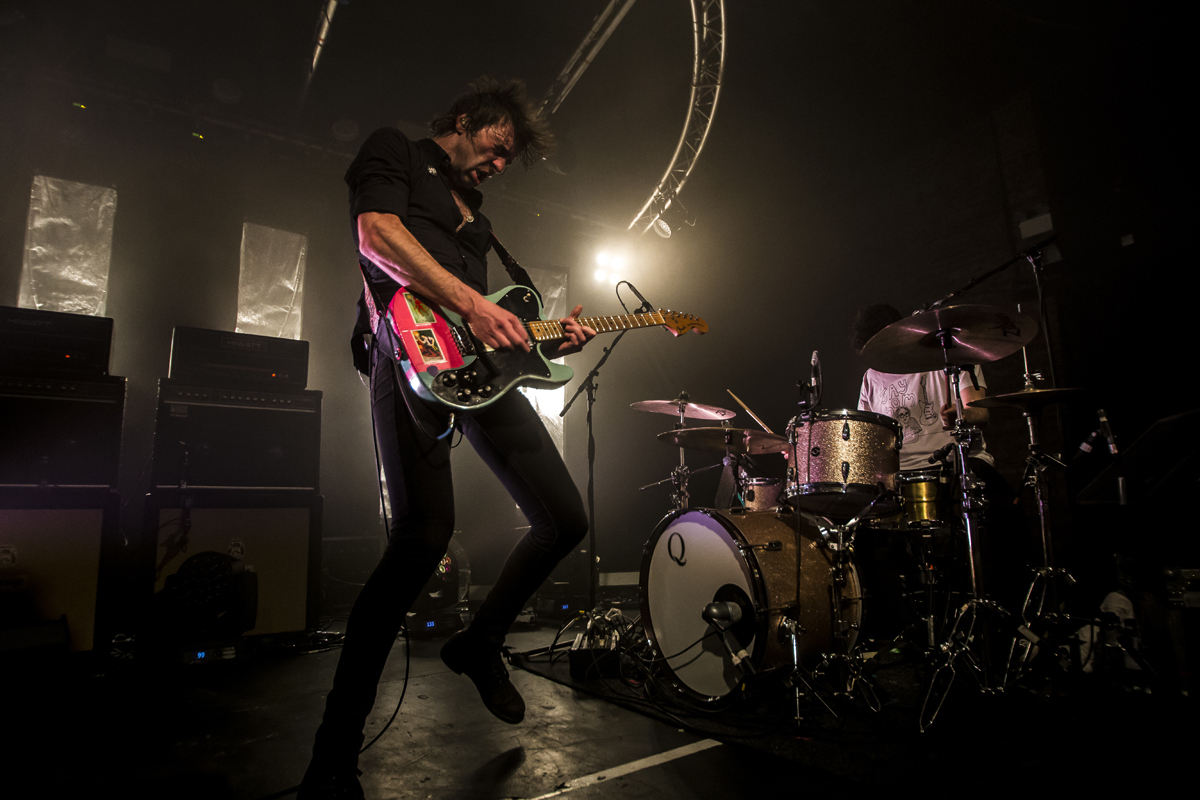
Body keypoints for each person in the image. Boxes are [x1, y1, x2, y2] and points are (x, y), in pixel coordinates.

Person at [300, 78, 595, 799]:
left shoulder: (482, 220)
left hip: (480, 373)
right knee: (421, 540)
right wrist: (469, 303)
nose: (498, 165)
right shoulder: (394, 149)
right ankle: (333, 755)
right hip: (405, 352)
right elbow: (376, 234)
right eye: (496, 148)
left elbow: (491, 320)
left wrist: (552, 338)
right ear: (465, 122)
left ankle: (481, 641)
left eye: (508, 160)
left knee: (565, 519)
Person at [850, 303, 1027, 625]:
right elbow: (867, 438)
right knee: (858, 531)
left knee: (1004, 523)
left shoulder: (951, 356)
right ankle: (894, 625)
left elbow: (981, 412)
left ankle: (998, 617)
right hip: (902, 477)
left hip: (960, 464)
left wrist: (962, 414)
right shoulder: (871, 377)